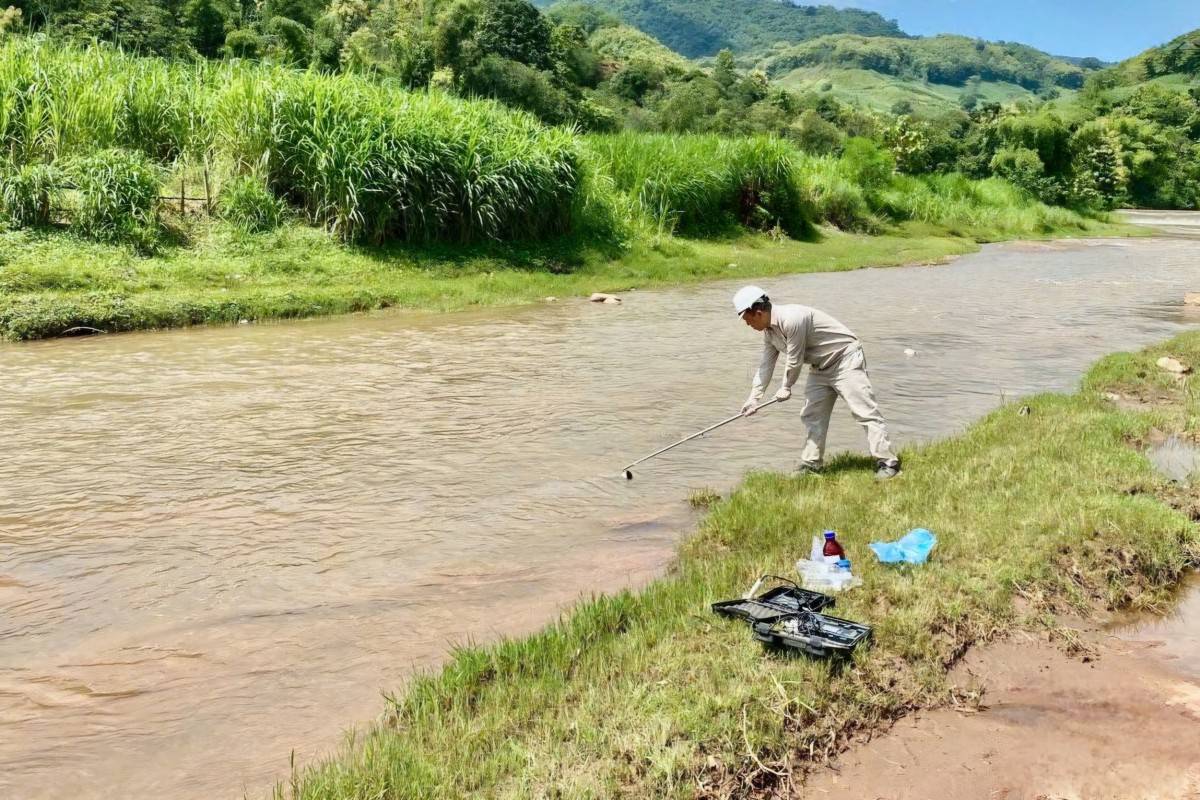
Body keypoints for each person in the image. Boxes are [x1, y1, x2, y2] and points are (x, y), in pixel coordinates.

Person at [733, 285, 901, 480]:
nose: (747, 324)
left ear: (758, 313)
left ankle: (888, 462)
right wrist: (754, 398)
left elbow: (794, 359)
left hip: (845, 359)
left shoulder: (792, 319)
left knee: (864, 411)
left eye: (747, 319)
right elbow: (766, 365)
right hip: (820, 365)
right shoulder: (769, 333)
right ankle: (812, 464)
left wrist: (786, 387)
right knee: (812, 415)